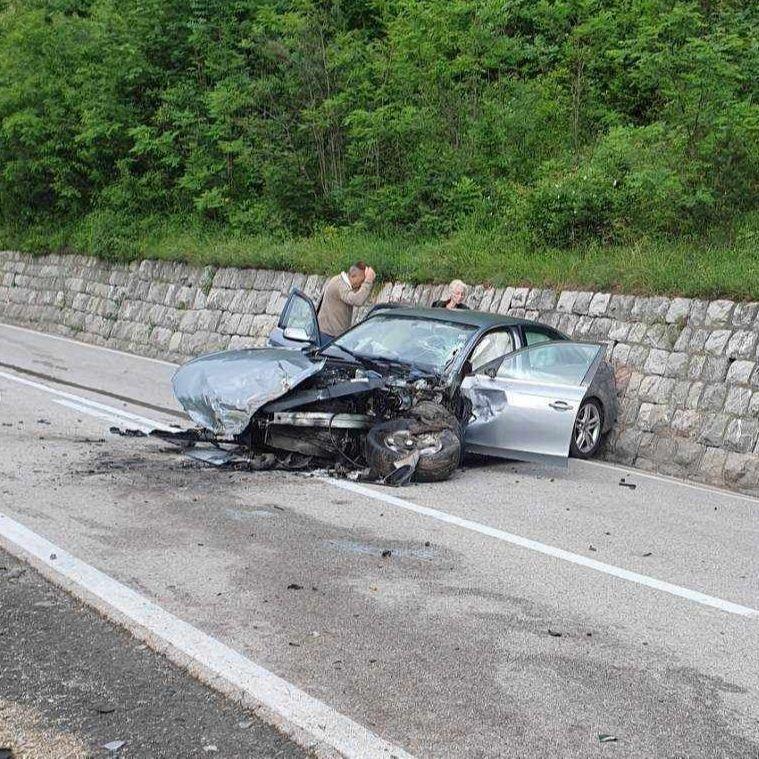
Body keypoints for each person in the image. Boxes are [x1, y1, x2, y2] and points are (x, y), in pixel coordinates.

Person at [317, 261, 376, 342]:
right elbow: (357, 300)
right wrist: (368, 281)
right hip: (328, 336)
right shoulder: (340, 285)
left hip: (331, 334)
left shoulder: (340, 280)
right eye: (362, 280)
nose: (362, 284)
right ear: (353, 276)